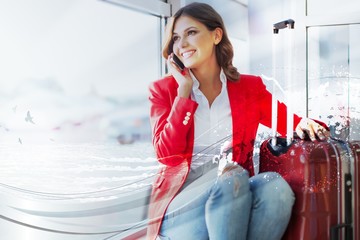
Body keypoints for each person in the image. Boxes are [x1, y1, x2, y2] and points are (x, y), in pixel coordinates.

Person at [146, 2, 329, 240]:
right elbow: (166, 155)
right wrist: (184, 92)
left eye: (191, 33)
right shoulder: (164, 91)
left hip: (232, 197)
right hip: (180, 210)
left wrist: (303, 124)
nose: (182, 45)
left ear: (216, 35)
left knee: (275, 188)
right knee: (233, 175)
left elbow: (291, 122)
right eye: (176, 38)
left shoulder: (249, 88)